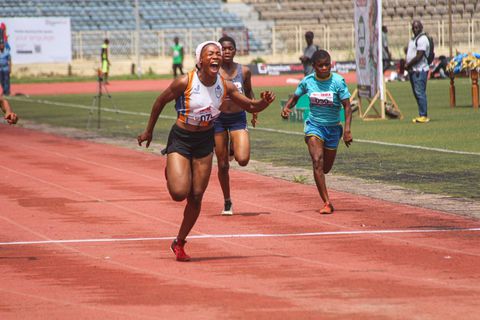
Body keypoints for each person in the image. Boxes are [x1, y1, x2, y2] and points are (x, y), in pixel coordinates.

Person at [137, 41, 275, 262]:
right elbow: (160, 101)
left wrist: (263, 103)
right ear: (200, 60)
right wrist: (148, 131)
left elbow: (250, 105)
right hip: (182, 138)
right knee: (179, 193)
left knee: (197, 196)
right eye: (210, 53)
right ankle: (172, 171)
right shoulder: (185, 81)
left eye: (218, 54)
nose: (216, 56)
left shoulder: (225, 85)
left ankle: (179, 242)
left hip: (204, 140)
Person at [281, 50, 352, 215]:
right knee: (317, 162)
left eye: (327, 64)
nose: (324, 68)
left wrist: (347, 130)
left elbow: (347, 106)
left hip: (334, 128)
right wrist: (287, 108)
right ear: (314, 67)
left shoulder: (338, 82)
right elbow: (295, 96)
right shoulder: (308, 81)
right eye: (320, 65)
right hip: (314, 126)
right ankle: (327, 202)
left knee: (325, 168)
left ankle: (324, 192)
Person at [214, 36, 258, 216]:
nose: (226, 52)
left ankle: (233, 148)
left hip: (238, 118)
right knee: (223, 165)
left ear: (235, 51)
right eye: (222, 49)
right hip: (217, 119)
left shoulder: (244, 71)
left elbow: (248, 92)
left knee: (243, 159)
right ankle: (227, 201)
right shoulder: (213, 71)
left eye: (229, 48)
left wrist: (254, 110)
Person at [405, 20, 430, 123]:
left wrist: (408, 64)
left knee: (420, 92)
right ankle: (421, 114)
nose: (415, 29)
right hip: (413, 70)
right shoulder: (413, 39)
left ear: (421, 28)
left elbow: (419, 56)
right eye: (413, 27)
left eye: (417, 27)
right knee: (417, 93)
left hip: (420, 70)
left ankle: (423, 115)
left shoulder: (422, 39)